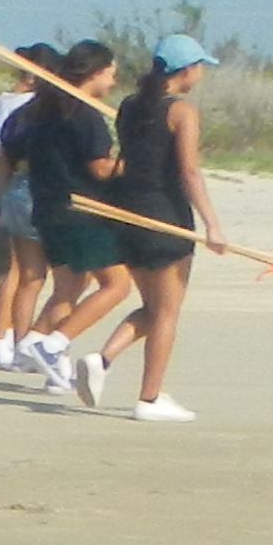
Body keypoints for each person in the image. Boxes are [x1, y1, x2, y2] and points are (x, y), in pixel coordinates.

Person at [90, 33, 223, 420]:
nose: (200, 74)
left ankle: (102, 360)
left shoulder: (130, 105)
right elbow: (189, 173)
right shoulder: (181, 112)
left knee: (153, 307)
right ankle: (149, 398)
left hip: (128, 214)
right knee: (167, 313)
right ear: (187, 69)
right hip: (165, 218)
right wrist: (213, 225)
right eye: (199, 67)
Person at [14, 42, 125, 404]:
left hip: (48, 208)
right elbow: (100, 168)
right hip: (79, 210)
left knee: (69, 286)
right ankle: (54, 344)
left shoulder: (47, 108)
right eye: (110, 72)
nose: (113, 80)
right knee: (117, 285)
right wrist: (141, 164)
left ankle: (35, 343)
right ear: (93, 73)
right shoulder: (84, 113)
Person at [0, 44, 57, 364]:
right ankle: (6, 341)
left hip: (0, 187)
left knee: (14, 270)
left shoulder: (1, 102)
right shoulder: (34, 106)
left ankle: (0, 338)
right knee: (25, 272)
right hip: (22, 188)